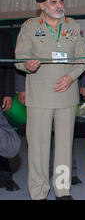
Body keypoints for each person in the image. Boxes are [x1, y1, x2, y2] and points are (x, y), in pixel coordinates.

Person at [15, 0, 85, 200]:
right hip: (39, 97)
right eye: (53, 2)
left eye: (61, 1)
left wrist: (71, 77)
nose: (59, 6)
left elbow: (82, 59)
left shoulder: (72, 26)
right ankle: (38, 192)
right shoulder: (29, 26)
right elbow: (20, 56)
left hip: (66, 95)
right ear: (42, 5)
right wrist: (27, 64)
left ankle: (62, 189)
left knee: (65, 146)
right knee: (38, 147)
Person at [15, 70, 83, 186]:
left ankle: (67, 178)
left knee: (65, 140)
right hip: (39, 93)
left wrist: (83, 84)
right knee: (40, 141)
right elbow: (23, 59)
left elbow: (79, 59)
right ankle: (41, 181)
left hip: (66, 91)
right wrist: (21, 88)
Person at [0, 30, 21, 192]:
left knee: (4, 140)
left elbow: (8, 66)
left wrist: (8, 93)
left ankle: (6, 177)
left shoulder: (4, 36)